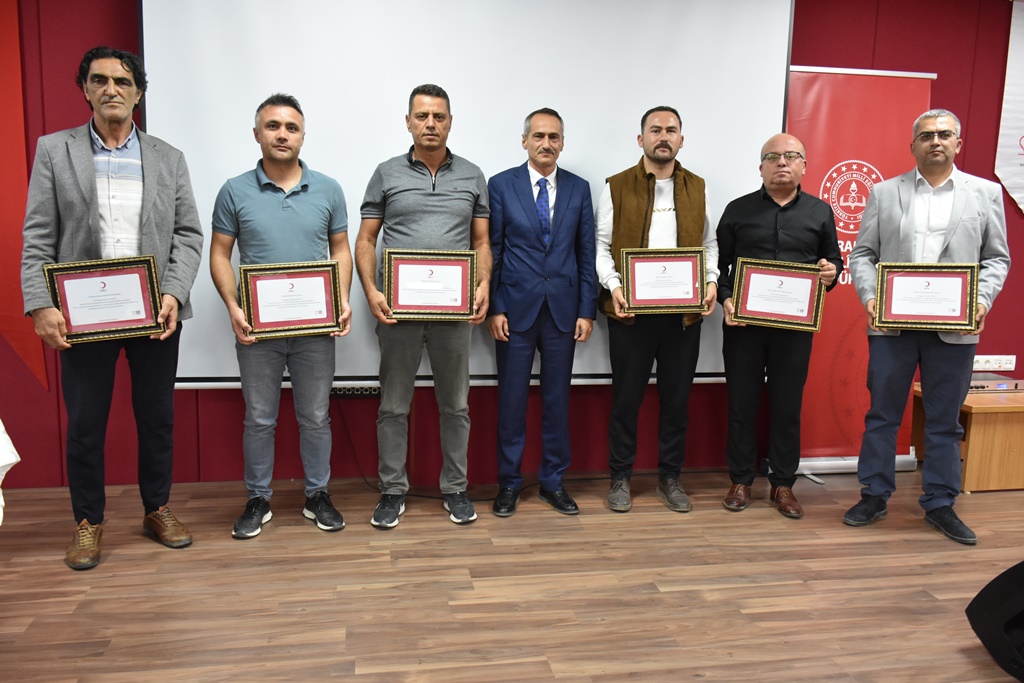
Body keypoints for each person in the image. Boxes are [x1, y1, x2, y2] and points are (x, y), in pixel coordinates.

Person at [20, 46, 204, 569]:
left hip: (154, 314)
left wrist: (173, 293)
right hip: (82, 316)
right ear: (85, 89)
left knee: (157, 418)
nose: (111, 90)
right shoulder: (54, 151)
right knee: (85, 423)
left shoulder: (169, 157)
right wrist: (40, 305)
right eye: (99, 80)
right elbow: (38, 237)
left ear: (138, 93)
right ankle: (87, 522)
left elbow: (188, 234)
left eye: (123, 81)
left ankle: (157, 508)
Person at [844, 109, 1010, 544]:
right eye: (926, 135)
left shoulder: (985, 194)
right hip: (891, 327)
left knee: (944, 421)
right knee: (882, 414)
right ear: (913, 145)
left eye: (944, 134)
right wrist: (871, 297)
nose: (935, 141)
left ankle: (940, 503)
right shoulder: (884, 193)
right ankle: (874, 495)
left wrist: (980, 300)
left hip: (955, 329)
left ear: (958, 143)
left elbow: (997, 258)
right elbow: (863, 254)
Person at [210, 94, 352, 539]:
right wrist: (233, 307)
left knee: (316, 416)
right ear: (257, 134)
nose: (282, 134)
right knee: (259, 418)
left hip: (315, 328)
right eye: (272, 126)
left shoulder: (329, 189)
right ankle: (258, 499)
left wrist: (342, 299)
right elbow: (219, 254)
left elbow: (341, 249)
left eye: (291, 127)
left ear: (303, 136)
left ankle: (317, 495)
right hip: (258, 330)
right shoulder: (234, 190)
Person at [355, 84, 491, 528]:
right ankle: (392, 490)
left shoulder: (472, 175)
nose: (430, 124)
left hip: (454, 314)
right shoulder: (386, 173)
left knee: (456, 406)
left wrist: (483, 283)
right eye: (422, 116)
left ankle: (455, 488)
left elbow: (481, 242)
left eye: (439, 116)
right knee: (394, 405)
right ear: (408, 122)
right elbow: (366, 239)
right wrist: (371, 290)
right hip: (398, 314)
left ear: (450, 122)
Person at [595, 106, 719, 513]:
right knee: (626, 400)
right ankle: (620, 477)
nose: (663, 136)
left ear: (681, 139)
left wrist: (710, 281)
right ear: (641, 139)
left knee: (676, 401)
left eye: (671, 130)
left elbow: (709, 244)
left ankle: (670, 477)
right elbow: (600, 246)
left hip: (683, 316)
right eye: (655, 130)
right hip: (630, 314)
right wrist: (614, 287)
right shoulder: (616, 186)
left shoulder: (698, 187)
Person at [716, 133, 843, 519]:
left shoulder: (820, 212)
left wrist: (830, 272)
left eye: (790, 156)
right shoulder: (737, 210)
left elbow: (833, 263)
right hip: (744, 326)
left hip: (794, 329)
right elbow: (718, 267)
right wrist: (726, 298)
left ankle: (783, 483)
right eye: (773, 157)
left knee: (787, 405)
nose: (782, 162)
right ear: (761, 167)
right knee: (742, 403)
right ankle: (741, 479)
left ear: (804, 165)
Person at [486, 108, 596, 517]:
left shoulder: (579, 188)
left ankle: (553, 481)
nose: (546, 143)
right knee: (512, 402)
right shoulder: (501, 185)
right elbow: (493, 250)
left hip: (563, 312)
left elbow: (586, 253)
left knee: (557, 401)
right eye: (538, 136)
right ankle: (509, 483)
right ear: (524, 141)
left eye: (553, 137)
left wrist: (587, 310)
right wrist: (495, 306)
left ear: (562, 143)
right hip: (514, 312)